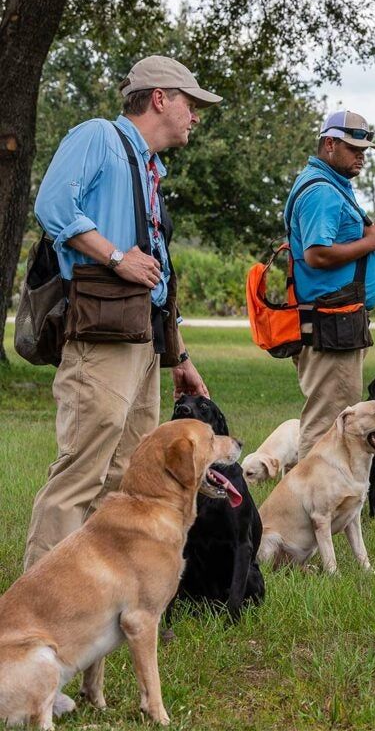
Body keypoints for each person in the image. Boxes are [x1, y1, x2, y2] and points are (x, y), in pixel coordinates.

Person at [23, 56, 220, 570]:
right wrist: (116, 256)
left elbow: (157, 278)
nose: (195, 116)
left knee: (127, 474)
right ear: (160, 98)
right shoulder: (98, 137)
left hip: (143, 339)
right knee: (81, 475)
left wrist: (179, 356)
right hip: (102, 336)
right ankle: (40, 602)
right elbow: (52, 206)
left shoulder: (148, 168)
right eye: (190, 103)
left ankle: (101, 592)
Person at [286, 110, 375, 458]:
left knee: (333, 418)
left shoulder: (332, 187)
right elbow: (317, 254)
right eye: (353, 148)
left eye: (364, 150)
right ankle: (308, 491)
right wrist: (371, 242)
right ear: (329, 144)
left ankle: (319, 489)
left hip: (340, 319)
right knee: (328, 423)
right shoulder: (322, 192)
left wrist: (366, 236)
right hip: (332, 322)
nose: (361, 156)